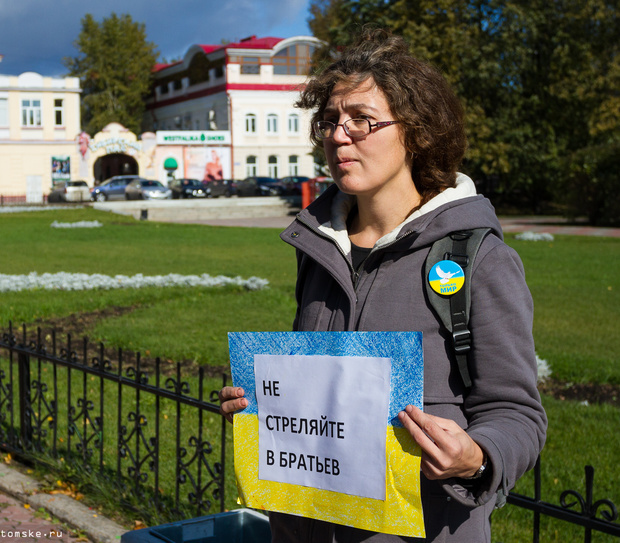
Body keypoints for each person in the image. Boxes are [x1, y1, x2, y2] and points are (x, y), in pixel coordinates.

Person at [219, 28, 547, 542]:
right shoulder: (317, 248)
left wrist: (478, 457)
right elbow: (321, 398)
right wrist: (261, 405)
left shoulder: (479, 259)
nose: (337, 135)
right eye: (329, 120)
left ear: (415, 131)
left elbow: (517, 413)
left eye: (362, 120)